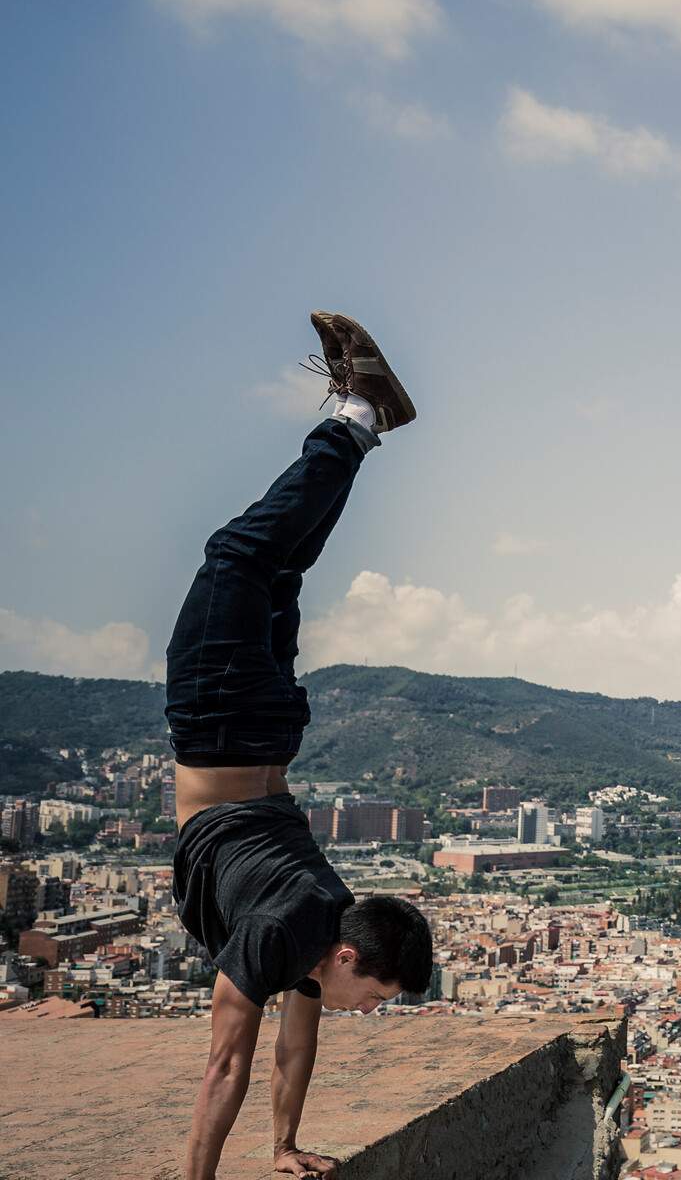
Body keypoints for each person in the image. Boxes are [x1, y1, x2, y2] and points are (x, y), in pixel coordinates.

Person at [165, 313, 434, 1180]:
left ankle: (361, 418)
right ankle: (361, 414)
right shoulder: (290, 930)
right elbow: (225, 1063)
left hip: (270, 731)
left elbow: (289, 1055)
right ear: (349, 957)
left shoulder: (322, 933)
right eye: (374, 999)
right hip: (225, 727)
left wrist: (283, 1147)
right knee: (237, 557)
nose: (365, 1012)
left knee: (274, 568)